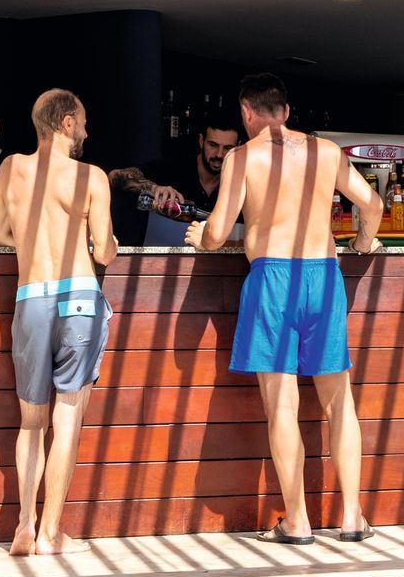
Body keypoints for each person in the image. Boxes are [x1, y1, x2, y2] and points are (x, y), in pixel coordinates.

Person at [186, 73, 384, 545]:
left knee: (282, 405)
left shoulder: (242, 157)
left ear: (247, 114)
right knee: (340, 404)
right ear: (287, 112)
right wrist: (360, 240)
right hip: (323, 274)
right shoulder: (326, 152)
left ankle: (297, 521)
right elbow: (372, 204)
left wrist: (200, 237)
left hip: (274, 277)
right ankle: (352, 517)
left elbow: (217, 232)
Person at [0, 88, 119, 557]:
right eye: (82, 122)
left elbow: (1, 232)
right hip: (80, 295)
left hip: (33, 297)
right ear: (66, 123)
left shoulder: (11, 168)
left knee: (31, 423)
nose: (86, 131)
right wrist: (96, 244)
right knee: (67, 421)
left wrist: (34, 237)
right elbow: (104, 250)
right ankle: (51, 532)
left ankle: (24, 526)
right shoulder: (91, 176)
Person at [110, 119, 242, 229]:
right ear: (201, 141)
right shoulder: (175, 167)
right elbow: (115, 176)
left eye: (227, 148)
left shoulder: (242, 182)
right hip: (164, 257)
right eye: (213, 145)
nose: (219, 154)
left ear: (238, 147)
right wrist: (154, 189)